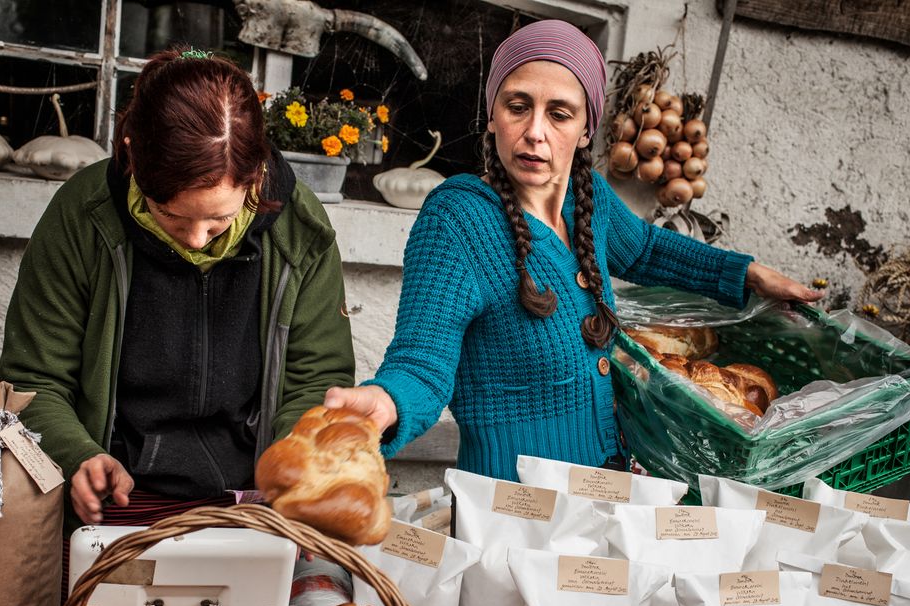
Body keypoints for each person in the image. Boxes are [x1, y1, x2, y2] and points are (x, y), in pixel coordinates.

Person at [325, 19, 821, 480]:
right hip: (512, 507)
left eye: (559, 114)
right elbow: (421, 361)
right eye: (517, 106)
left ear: (586, 130)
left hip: (604, 492)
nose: (535, 131)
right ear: (493, 116)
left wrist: (749, 275)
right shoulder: (458, 220)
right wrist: (386, 403)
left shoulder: (591, 199)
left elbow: (646, 249)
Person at [0, 49, 355, 531]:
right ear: (131, 154)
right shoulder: (82, 217)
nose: (194, 238)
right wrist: (79, 456)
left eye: (220, 220)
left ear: (256, 176)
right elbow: (32, 379)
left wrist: (293, 468)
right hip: (118, 502)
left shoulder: (301, 231)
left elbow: (317, 379)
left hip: (251, 505)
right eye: (171, 215)